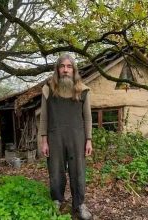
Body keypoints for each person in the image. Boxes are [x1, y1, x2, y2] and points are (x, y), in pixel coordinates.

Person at [39, 54, 93, 220]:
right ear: (57, 69)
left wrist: (89, 139)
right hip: (55, 137)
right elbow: (44, 117)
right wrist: (44, 140)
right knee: (56, 171)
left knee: (78, 171)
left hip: (77, 137)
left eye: (69, 66)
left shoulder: (82, 90)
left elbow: (88, 117)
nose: (65, 70)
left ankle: (79, 204)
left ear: (74, 70)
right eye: (62, 66)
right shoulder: (48, 88)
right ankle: (57, 199)